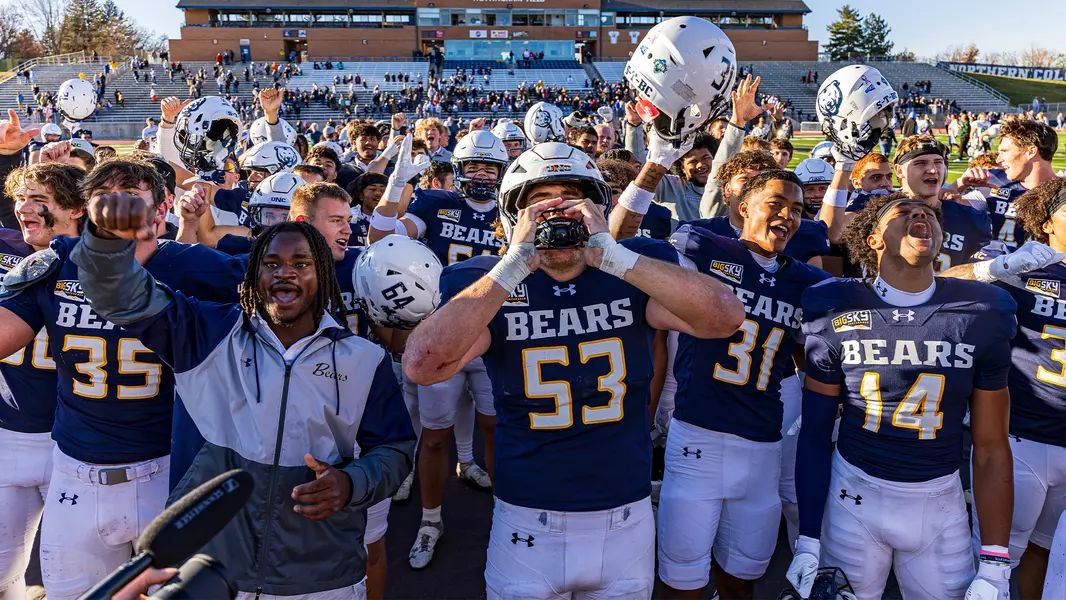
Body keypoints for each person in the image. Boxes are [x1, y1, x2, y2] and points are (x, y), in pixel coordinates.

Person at [403, 141, 745, 599]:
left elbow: (725, 318)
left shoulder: (633, 268)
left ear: (597, 209)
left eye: (571, 200)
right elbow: (423, 367)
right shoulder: (483, 283)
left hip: (625, 515)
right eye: (541, 202)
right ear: (513, 216)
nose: (558, 212)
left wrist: (613, 255)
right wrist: (513, 265)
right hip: (526, 518)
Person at [70, 203, 417, 599]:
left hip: (322, 577)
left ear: (323, 275)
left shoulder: (364, 360)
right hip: (206, 572)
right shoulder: (204, 332)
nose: (285, 272)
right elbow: (122, 297)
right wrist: (106, 241)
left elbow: (395, 449)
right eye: (271, 264)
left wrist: (352, 482)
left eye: (301, 264)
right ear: (253, 275)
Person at [0, 159, 246, 600]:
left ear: (161, 209)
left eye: (131, 198)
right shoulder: (59, 261)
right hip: (76, 472)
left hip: (167, 470)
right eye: (105, 199)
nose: (117, 209)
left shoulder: (197, 267)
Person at [787, 192, 1016, 600]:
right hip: (853, 494)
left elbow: (991, 447)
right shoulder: (834, 304)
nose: (920, 215)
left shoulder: (982, 310)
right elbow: (817, 434)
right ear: (874, 239)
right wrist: (807, 537)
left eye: (928, 213)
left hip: (939, 502)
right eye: (903, 212)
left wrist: (996, 560)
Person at [657, 170, 830, 600]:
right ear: (743, 207)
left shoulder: (807, 283)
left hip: (763, 444)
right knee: (682, 577)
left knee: (743, 575)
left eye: (797, 209)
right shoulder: (703, 248)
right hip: (698, 435)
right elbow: (622, 246)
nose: (788, 215)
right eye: (776, 204)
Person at [369, 132, 506, 569]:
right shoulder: (434, 204)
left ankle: (506, 514)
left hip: (495, 339)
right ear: (459, 170)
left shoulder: (511, 209)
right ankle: (430, 520)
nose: (481, 175)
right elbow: (380, 236)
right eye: (474, 167)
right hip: (440, 335)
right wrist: (396, 186)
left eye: (489, 167)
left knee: (496, 430)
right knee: (433, 437)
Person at [939, 178, 1066, 598]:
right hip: (1022, 438)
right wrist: (991, 269)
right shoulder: (1023, 268)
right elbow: (936, 287)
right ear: (1046, 223)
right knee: (993, 562)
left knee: (1047, 555)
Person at [947, 119, 1059, 250]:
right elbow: (946, 207)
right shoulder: (994, 181)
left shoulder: (1061, 191)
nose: (998, 159)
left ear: (1031, 151)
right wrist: (959, 185)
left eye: (1005, 151)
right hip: (995, 261)